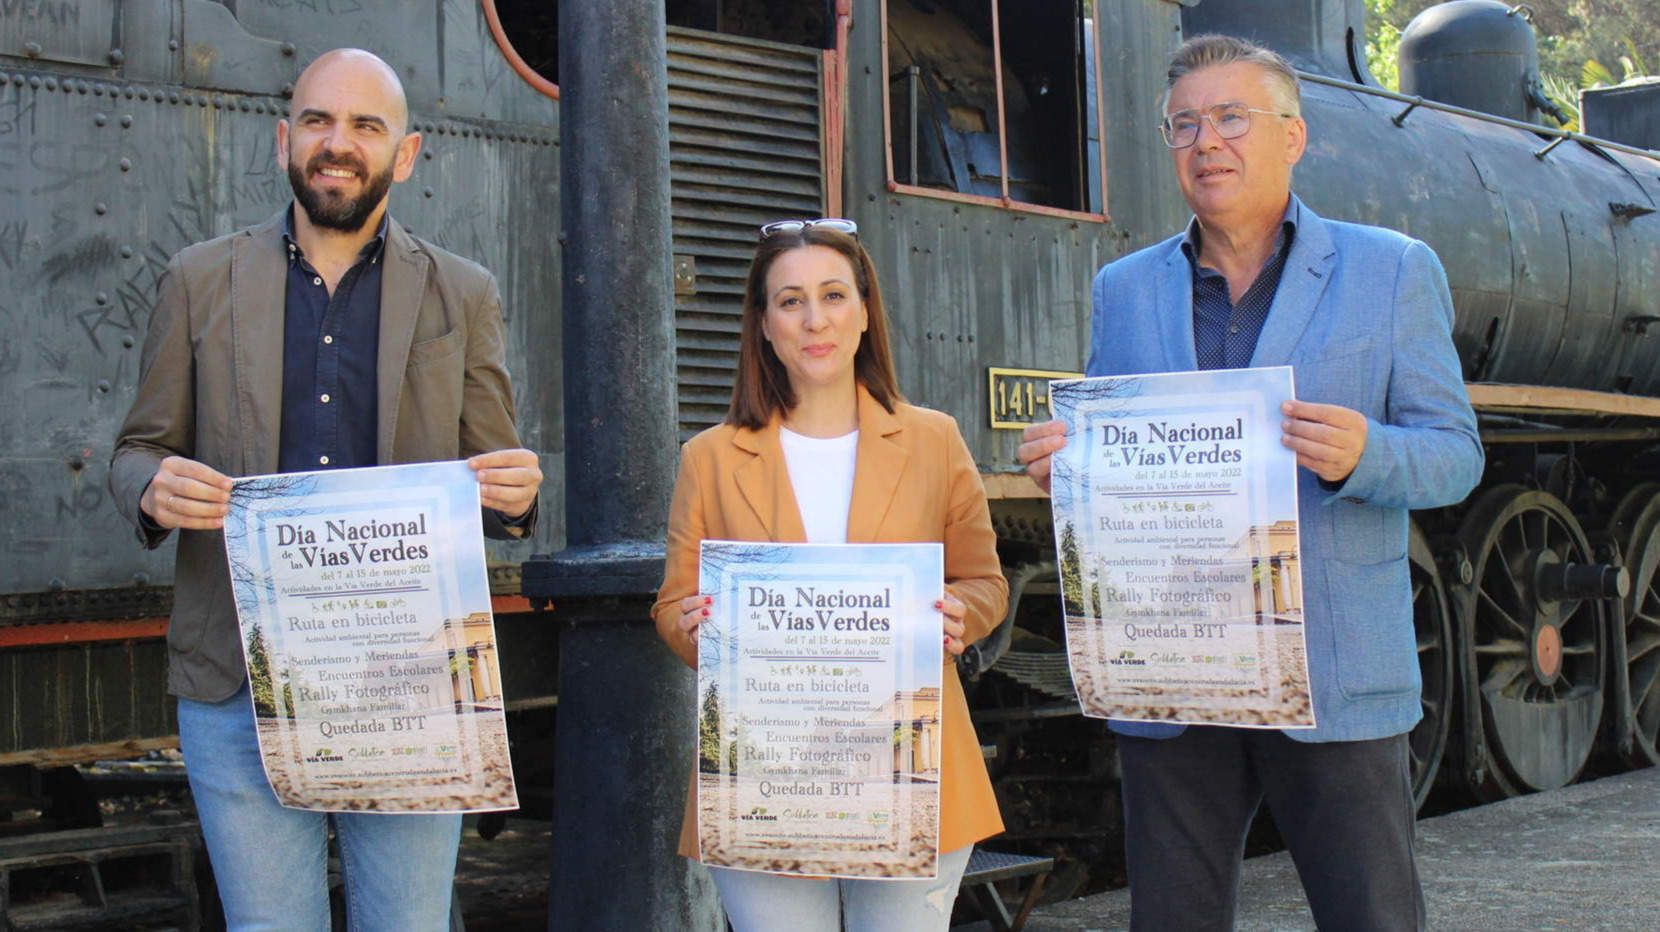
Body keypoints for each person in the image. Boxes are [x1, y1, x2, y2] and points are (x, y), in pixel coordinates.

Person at [1018, 35, 1482, 930]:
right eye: (1184, 124)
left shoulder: (1391, 270)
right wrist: (1071, 472)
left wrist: (1366, 455)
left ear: (1293, 137)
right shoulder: (1124, 287)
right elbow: (1122, 468)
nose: (1207, 142)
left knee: (1372, 918)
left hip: (1333, 679)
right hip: (1176, 677)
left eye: (1232, 117)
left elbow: (1456, 455)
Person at [109, 48, 542, 929]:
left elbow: (499, 477)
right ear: (283, 140)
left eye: (364, 126)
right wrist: (151, 485)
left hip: (410, 683)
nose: (336, 144)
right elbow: (137, 449)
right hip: (238, 680)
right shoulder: (199, 280)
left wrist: (518, 489)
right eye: (317, 120)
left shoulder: (463, 294)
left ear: (407, 153)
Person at [652, 218, 1007, 930]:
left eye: (833, 295)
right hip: (768, 769)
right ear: (762, 325)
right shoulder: (710, 458)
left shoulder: (934, 440)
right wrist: (694, 629)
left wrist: (961, 615)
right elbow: (672, 606)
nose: (815, 319)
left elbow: (985, 582)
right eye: (789, 301)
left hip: (913, 767)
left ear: (866, 310)